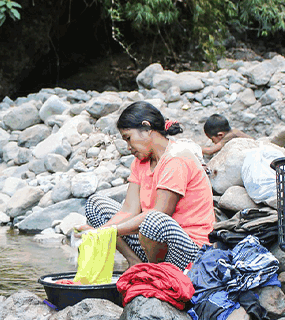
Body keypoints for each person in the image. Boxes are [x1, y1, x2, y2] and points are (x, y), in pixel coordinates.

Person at [80, 101, 214, 271]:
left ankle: (154, 272)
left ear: (146, 128)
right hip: (154, 243)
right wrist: (98, 233)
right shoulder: (140, 162)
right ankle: (136, 263)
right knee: (95, 204)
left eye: (129, 138)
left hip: (190, 250)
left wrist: (110, 232)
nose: (128, 147)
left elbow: (161, 213)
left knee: (152, 220)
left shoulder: (176, 158)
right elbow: (128, 210)